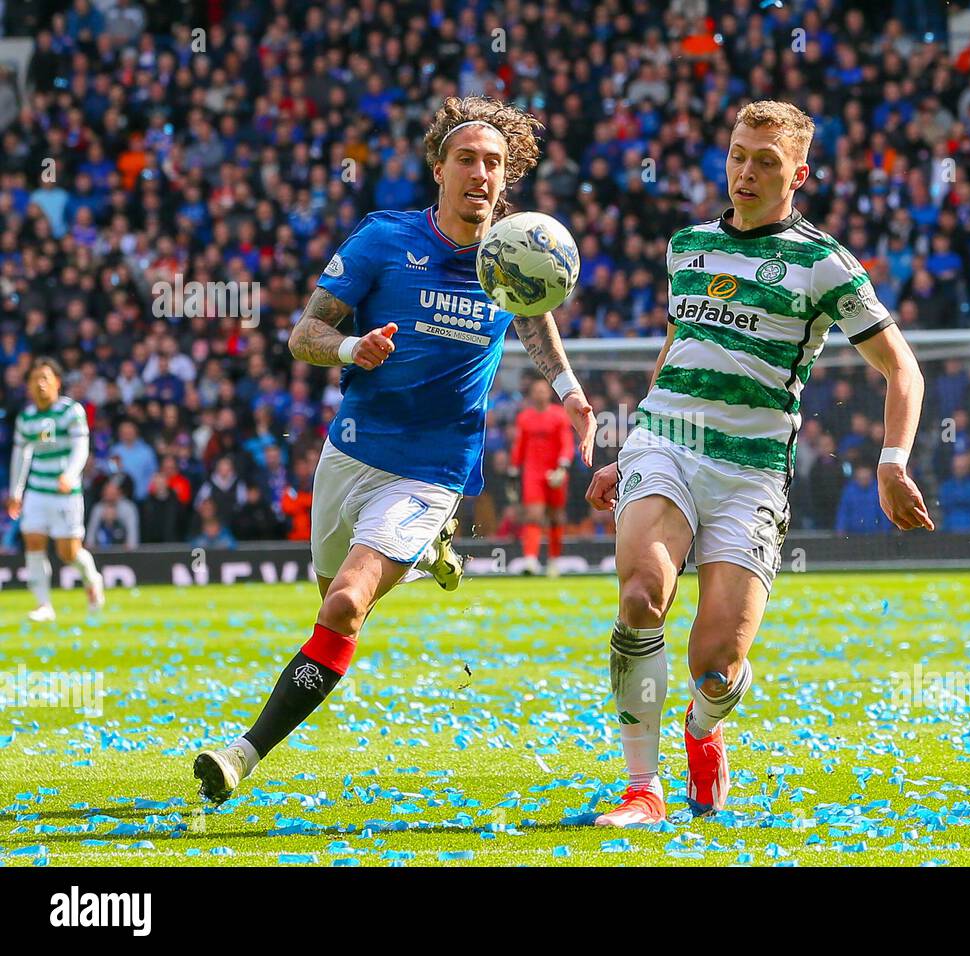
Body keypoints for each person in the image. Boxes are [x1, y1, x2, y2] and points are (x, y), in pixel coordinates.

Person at [192, 97, 597, 804]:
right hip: (351, 452)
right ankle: (418, 558)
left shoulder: (513, 252)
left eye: (494, 164)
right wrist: (355, 347)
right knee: (332, 607)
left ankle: (240, 755)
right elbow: (302, 335)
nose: (481, 173)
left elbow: (533, 320)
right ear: (438, 168)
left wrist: (567, 389)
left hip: (433, 467)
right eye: (467, 159)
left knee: (347, 603)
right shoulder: (382, 240)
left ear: (507, 181)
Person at [584, 101, 932, 826]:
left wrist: (892, 462)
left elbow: (903, 370)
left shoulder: (823, 264)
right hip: (666, 444)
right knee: (643, 593)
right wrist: (631, 447)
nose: (746, 170)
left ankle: (703, 730)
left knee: (717, 666)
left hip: (753, 472)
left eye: (765, 161)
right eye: (739, 155)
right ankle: (642, 789)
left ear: (797, 173)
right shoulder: (687, 245)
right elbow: (680, 347)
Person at [5, 358, 105, 621]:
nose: (40, 384)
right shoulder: (26, 417)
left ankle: (92, 579)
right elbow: (21, 455)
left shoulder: (71, 411)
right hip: (38, 488)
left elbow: (81, 447)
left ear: (57, 382)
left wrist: (71, 475)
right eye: (34, 379)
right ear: (27, 386)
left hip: (64, 491)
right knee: (33, 540)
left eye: (45, 378)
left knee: (68, 552)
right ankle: (44, 605)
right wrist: (16, 492)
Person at [511, 375, 575, 575]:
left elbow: (567, 443)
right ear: (531, 394)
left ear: (549, 393)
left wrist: (563, 466)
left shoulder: (559, 415)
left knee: (556, 517)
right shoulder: (524, 417)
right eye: (536, 390)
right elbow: (519, 445)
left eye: (543, 390)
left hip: (555, 472)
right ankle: (530, 559)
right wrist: (514, 468)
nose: (540, 394)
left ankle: (554, 561)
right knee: (534, 514)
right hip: (533, 472)